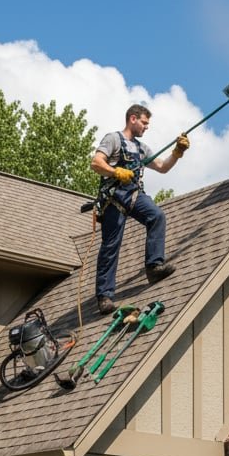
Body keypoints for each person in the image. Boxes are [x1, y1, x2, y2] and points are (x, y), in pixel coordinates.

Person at [90, 104, 188, 315]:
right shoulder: (113, 139)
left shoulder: (142, 148)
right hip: (113, 198)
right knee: (111, 245)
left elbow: (162, 167)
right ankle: (104, 296)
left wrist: (177, 152)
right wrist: (115, 172)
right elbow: (96, 163)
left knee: (157, 216)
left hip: (134, 195)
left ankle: (154, 267)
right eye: (144, 122)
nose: (146, 127)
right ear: (132, 119)